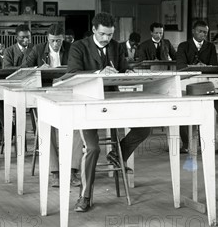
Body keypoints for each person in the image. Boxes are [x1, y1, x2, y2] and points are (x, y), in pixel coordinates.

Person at [67, 12, 151, 212]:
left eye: (110, 34)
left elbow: (122, 68)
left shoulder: (116, 46)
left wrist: (128, 72)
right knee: (93, 148)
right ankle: (84, 197)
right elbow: (72, 74)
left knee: (144, 128)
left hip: (112, 101)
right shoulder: (78, 46)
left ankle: (118, 153)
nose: (107, 39)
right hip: (86, 103)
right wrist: (98, 73)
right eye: (103, 34)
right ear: (94, 30)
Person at [23, 23, 81, 187]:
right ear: (47, 38)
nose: (56, 44)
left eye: (59, 41)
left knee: (77, 127)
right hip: (46, 93)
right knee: (46, 128)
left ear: (64, 39)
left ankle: (72, 170)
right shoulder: (37, 49)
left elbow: (81, 69)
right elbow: (23, 70)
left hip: (68, 92)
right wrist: (37, 69)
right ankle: (55, 172)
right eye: (53, 41)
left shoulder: (72, 48)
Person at [176, 20, 218, 153]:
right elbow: (180, 67)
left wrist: (205, 68)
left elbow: (215, 68)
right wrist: (194, 68)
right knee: (181, 108)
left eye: (205, 32)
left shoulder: (210, 47)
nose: (202, 34)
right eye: (200, 31)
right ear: (193, 31)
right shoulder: (183, 46)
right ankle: (187, 143)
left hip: (206, 85)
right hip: (188, 84)